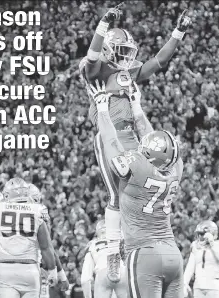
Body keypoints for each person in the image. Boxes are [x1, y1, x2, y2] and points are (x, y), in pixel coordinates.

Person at [80, 3, 192, 282]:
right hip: (109, 135)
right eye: (122, 51)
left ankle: (137, 241)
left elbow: (159, 61)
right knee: (117, 195)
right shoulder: (95, 69)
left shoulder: (125, 72)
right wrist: (103, 24)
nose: (127, 57)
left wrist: (178, 32)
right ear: (108, 49)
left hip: (134, 136)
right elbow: (93, 54)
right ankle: (111, 254)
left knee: (141, 190)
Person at [90, 81, 184, 297]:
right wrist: (137, 106)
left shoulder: (136, 165)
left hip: (145, 253)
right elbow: (151, 138)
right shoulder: (176, 167)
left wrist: (103, 109)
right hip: (172, 253)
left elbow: (112, 142)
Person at [0, 178, 58, 298]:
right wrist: (52, 269)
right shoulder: (37, 210)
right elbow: (46, 246)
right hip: (30, 268)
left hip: (5, 269)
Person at [81, 220, 127, 298]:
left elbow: (85, 279)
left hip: (102, 273)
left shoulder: (92, 245)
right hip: (122, 272)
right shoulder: (121, 240)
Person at [183, 220, 219, 298]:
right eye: (198, 234)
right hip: (198, 286)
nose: (199, 236)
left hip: (214, 287)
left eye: (202, 234)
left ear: (211, 233)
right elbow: (190, 267)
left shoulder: (217, 245)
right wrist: (184, 283)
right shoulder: (195, 246)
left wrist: (212, 243)